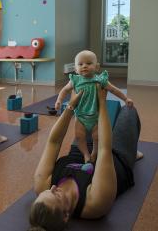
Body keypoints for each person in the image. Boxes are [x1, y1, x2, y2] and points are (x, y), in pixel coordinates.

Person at [29, 86, 142, 231]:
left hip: (81, 150)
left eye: (47, 191)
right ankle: (132, 153)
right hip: (115, 157)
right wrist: (102, 102)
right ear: (65, 216)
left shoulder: (41, 185)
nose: (53, 187)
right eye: (56, 195)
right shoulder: (94, 203)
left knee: (88, 105)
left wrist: (71, 107)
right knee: (129, 110)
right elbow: (104, 148)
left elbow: (54, 142)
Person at [55, 50, 134, 163]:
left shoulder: (100, 80)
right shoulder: (75, 80)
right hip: (80, 116)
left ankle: (95, 152)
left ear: (97, 67)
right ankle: (86, 154)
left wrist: (125, 98)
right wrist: (59, 100)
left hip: (96, 116)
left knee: (97, 137)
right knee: (79, 137)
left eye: (88, 63)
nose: (84, 66)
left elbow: (114, 89)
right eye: (80, 64)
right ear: (76, 69)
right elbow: (64, 90)